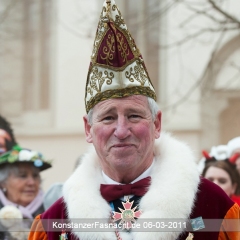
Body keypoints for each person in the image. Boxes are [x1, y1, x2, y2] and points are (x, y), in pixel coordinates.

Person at [28, 0, 240, 239]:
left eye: (134, 115)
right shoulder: (54, 223)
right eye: (108, 118)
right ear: (88, 129)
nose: (121, 130)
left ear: (156, 124)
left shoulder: (216, 209)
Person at [0, 145, 52, 239]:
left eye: (35, 176)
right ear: (3, 182)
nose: (31, 182)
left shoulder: (51, 211)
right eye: (23, 176)